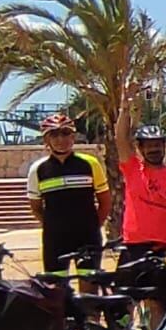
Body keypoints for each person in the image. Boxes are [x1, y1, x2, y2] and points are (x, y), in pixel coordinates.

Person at [113, 98, 166, 262]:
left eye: (157, 145)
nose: (154, 149)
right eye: (149, 145)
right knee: (126, 288)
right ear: (140, 148)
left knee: (165, 288)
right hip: (133, 247)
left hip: (165, 248)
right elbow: (121, 139)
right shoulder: (132, 169)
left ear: (164, 146)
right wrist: (124, 109)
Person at [27, 113, 111, 274]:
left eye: (65, 133)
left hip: (87, 237)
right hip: (55, 240)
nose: (60, 139)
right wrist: (54, 226)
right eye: (54, 135)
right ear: (46, 140)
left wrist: (93, 226)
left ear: (73, 136)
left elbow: (105, 201)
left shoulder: (90, 163)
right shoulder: (38, 169)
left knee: (89, 285)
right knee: (56, 289)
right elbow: (36, 207)